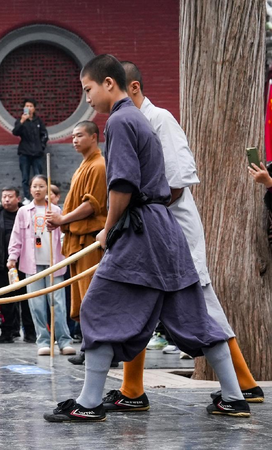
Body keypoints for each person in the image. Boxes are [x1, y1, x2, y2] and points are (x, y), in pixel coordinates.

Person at [44, 54, 248, 423]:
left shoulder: (120, 121)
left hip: (142, 230)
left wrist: (107, 229)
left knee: (98, 307)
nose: (87, 99)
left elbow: (123, 184)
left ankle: (89, 403)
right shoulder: (137, 118)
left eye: (88, 89)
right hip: (165, 231)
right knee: (193, 316)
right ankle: (234, 397)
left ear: (109, 83)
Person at [95, 61, 265, 410]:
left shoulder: (159, 120)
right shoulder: (132, 121)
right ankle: (131, 389)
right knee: (139, 301)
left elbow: (174, 181)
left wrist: (131, 213)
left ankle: (244, 385)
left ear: (133, 88)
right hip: (148, 230)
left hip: (172, 230)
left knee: (201, 303)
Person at [46, 122, 107, 364]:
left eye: (79, 135)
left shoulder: (98, 166)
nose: (74, 140)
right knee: (82, 297)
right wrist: (61, 220)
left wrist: (63, 219)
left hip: (90, 241)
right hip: (77, 242)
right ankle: (91, 345)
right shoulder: (85, 165)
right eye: (72, 136)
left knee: (93, 295)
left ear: (94, 137)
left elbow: (92, 205)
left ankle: (100, 349)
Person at [8, 175, 73, 356]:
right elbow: (17, 236)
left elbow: (63, 235)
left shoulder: (55, 210)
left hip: (54, 263)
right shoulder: (23, 212)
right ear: (30, 189)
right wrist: (12, 256)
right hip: (32, 265)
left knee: (57, 304)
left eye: (41, 186)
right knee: (36, 305)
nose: (37, 189)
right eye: (34, 186)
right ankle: (43, 340)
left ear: (47, 190)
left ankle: (64, 340)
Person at [0, 187, 35, 344]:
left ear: (18, 198)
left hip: (25, 264)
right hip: (3, 266)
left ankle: (30, 332)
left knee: (27, 300)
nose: (7, 199)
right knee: (6, 301)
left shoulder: (28, 214)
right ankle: (7, 332)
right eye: (4, 197)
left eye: (10, 196)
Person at [13, 99, 48, 202]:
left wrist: (41, 146)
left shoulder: (38, 121)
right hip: (25, 153)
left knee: (39, 176)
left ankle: (41, 197)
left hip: (37, 153)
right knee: (25, 177)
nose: (28, 108)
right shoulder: (20, 121)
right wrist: (22, 121)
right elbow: (15, 132)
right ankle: (27, 198)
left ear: (34, 108)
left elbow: (44, 135)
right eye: (26, 106)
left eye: (31, 106)